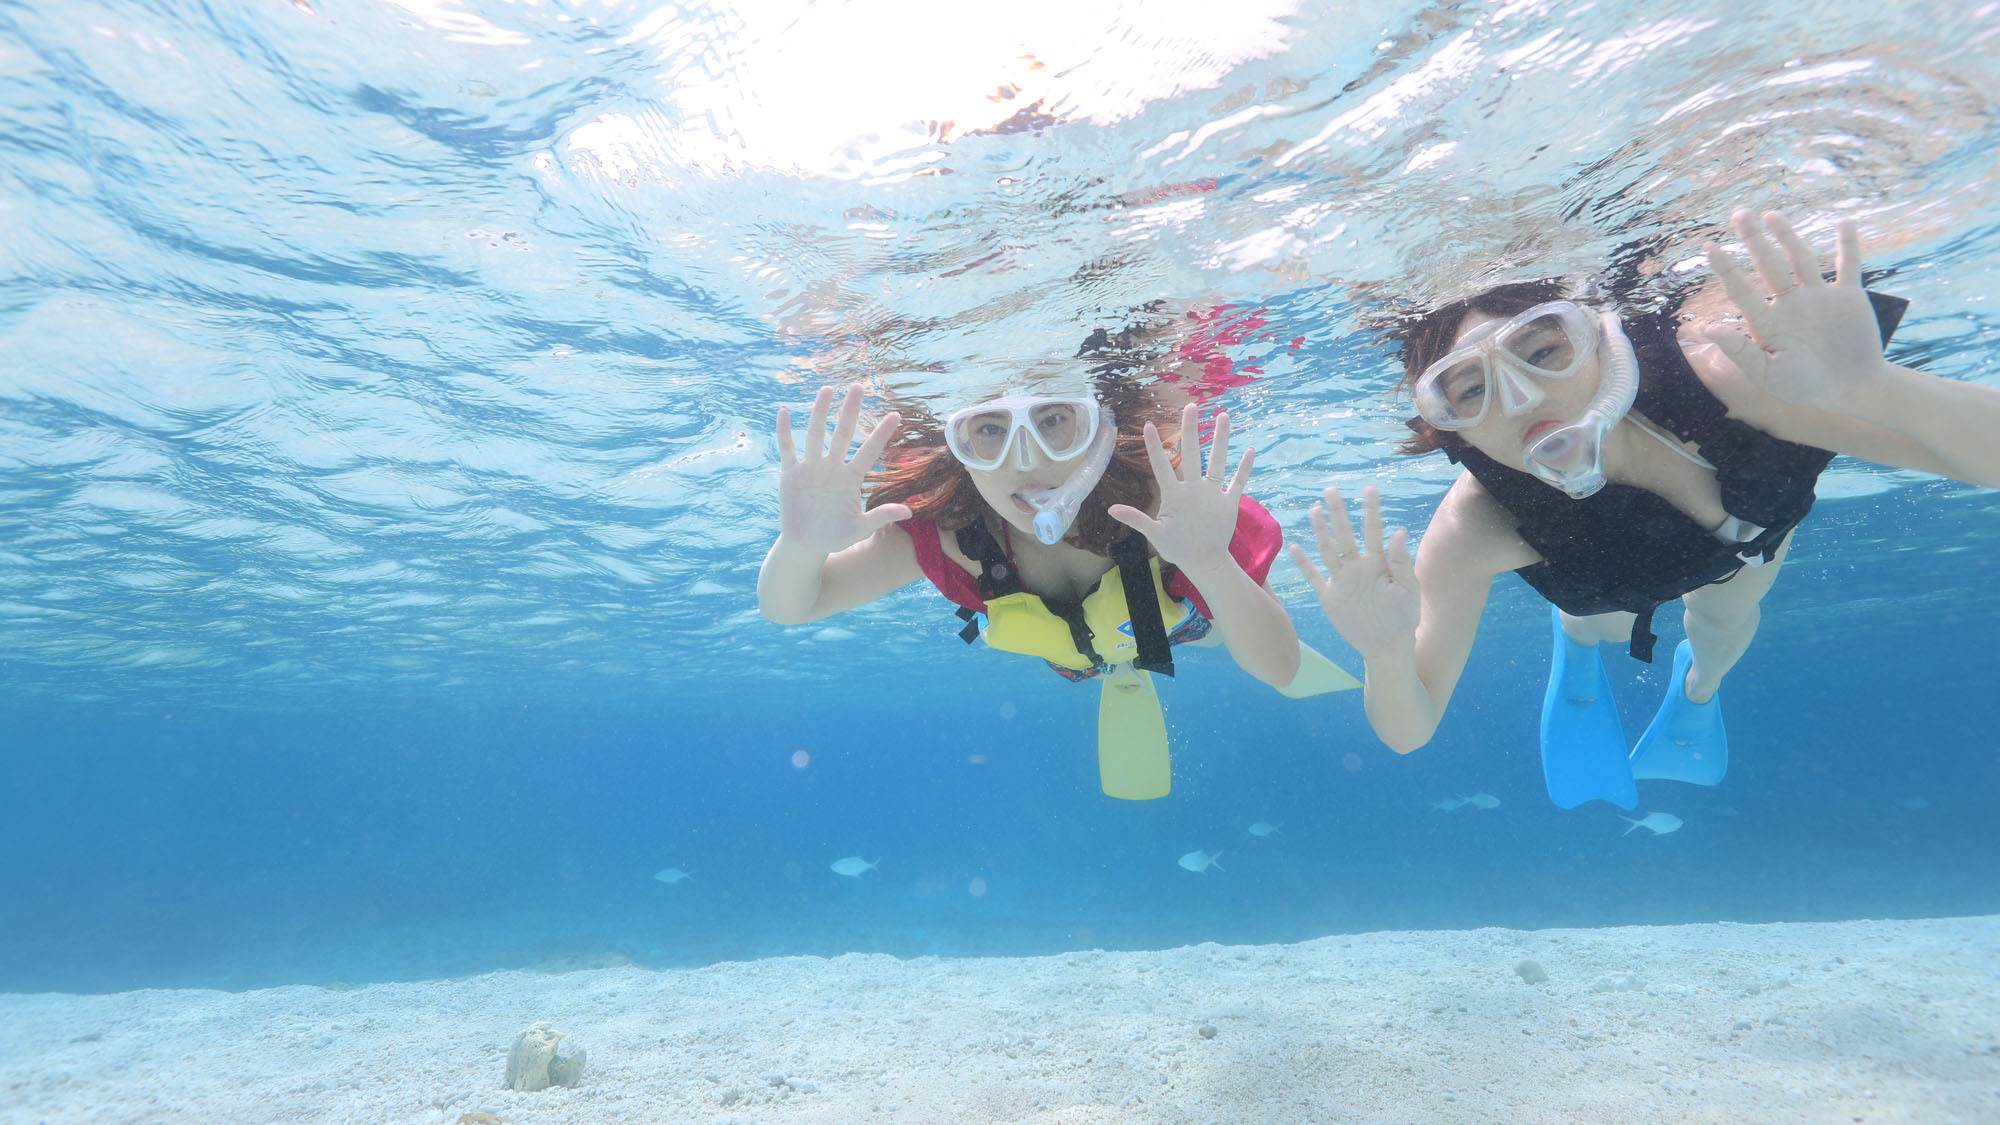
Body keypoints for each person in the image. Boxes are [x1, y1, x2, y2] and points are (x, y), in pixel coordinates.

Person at [1290, 208, 2000, 809]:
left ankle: (1697, 693)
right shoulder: (1475, 526)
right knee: (1596, 610)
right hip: (1605, 569)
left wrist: (1875, 390)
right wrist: (1385, 653)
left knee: (1721, 631)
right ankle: (1577, 634)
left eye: (1543, 349)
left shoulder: (1728, 373)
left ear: (1599, 337)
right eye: (1469, 391)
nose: (1523, 398)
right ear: (1448, 430)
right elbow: (1411, 727)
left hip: (1743, 544)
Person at [759, 374, 1355, 800]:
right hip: (1069, 653)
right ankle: (1117, 666)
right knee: (1086, 650)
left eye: (1052, 422)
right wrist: (803, 544)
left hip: (1184, 623)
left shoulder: (1168, 506)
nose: (1027, 463)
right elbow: (792, 606)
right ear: (957, 449)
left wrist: (1214, 566)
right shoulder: (943, 534)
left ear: (1098, 427)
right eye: (988, 430)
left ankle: (1137, 656)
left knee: (1212, 631)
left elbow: (1279, 667)